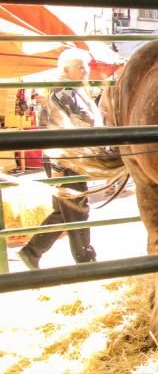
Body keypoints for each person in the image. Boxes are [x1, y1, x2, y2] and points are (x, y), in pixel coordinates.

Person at [18, 48, 100, 269]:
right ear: (65, 69)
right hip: (65, 159)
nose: (85, 71)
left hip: (71, 158)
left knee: (64, 212)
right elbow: (57, 131)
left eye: (86, 66)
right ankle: (85, 262)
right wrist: (57, 166)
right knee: (77, 210)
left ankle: (31, 252)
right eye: (80, 67)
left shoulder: (72, 91)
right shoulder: (63, 93)